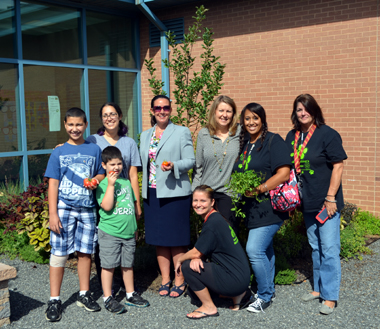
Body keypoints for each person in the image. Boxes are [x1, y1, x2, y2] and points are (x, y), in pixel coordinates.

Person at [285, 94, 347, 315]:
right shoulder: (292, 136)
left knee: (329, 249)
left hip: (325, 202)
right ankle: (319, 289)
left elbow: (338, 166)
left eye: (307, 109)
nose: (303, 113)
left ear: (314, 111)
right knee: (316, 247)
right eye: (299, 109)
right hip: (306, 202)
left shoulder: (327, 134)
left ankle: (330, 296)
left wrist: (331, 198)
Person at [44, 107, 105, 322]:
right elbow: (53, 183)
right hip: (64, 208)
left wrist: (96, 180)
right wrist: (53, 213)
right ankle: (54, 299)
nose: (75, 128)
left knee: (85, 252)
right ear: (65, 125)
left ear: (86, 125)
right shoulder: (58, 152)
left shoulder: (94, 149)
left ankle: (84, 294)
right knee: (59, 252)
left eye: (79, 124)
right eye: (70, 124)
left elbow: (100, 171)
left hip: (87, 208)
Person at [233, 103, 291, 313]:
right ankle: (268, 289)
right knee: (265, 250)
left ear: (263, 120)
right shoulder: (245, 143)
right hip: (251, 210)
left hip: (270, 208)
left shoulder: (273, 141)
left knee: (254, 249)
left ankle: (264, 296)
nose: (251, 122)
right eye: (247, 118)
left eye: (255, 118)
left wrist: (259, 189)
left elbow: (284, 173)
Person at [140, 95, 195, 298]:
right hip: (152, 193)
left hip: (175, 194)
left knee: (176, 239)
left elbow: (190, 160)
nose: (161, 111)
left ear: (171, 110)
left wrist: (175, 166)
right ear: (152, 110)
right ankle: (165, 279)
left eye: (165, 108)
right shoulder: (145, 135)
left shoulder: (181, 132)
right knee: (159, 239)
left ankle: (179, 278)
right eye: (157, 108)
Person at [175, 185, 251, 319]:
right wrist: (197, 256)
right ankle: (237, 295)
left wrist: (180, 259)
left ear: (212, 202)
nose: (198, 205)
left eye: (203, 201)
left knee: (187, 267)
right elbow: (202, 250)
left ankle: (209, 307)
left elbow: (195, 253)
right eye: (195, 200)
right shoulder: (217, 218)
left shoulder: (212, 224)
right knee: (194, 285)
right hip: (241, 277)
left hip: (234, 280)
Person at [86, 102, 142, 286]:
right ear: (101, 119)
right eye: (105, 115)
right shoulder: (93, 140)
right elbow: (77, 147)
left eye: (113, 114)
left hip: (124, 198)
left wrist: (137, 204)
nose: (109, 118)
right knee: (104, 240)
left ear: (119, 116)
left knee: (125, 244)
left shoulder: (129, 142)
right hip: (101, 195)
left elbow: (133, 174)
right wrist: (63, 145)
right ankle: (106, 286)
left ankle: (125, 286)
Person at [96, 146, 149, 314]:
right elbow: (107, 206)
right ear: (104, 166)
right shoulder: (103, 184)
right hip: (110, 233)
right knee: (108, 265)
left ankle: (130, 293)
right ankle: (108, 297)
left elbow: (131, 207)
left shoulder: (126, 182)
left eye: (119, 164)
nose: (116, 167)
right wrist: (111, 185)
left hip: (128, 233)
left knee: (127, 264)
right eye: (112, 164)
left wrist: (135, 227)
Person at [192, 95, 241, 233]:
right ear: (214, 112)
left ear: (233, 114)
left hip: (230, 193)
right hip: (208, 194)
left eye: (228, 111)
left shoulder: (239, 133)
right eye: (221, 111)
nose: (224, 115)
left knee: (228, 234)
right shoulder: (204, 134)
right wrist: (195, 193)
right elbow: (198, 167)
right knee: (211, 234)